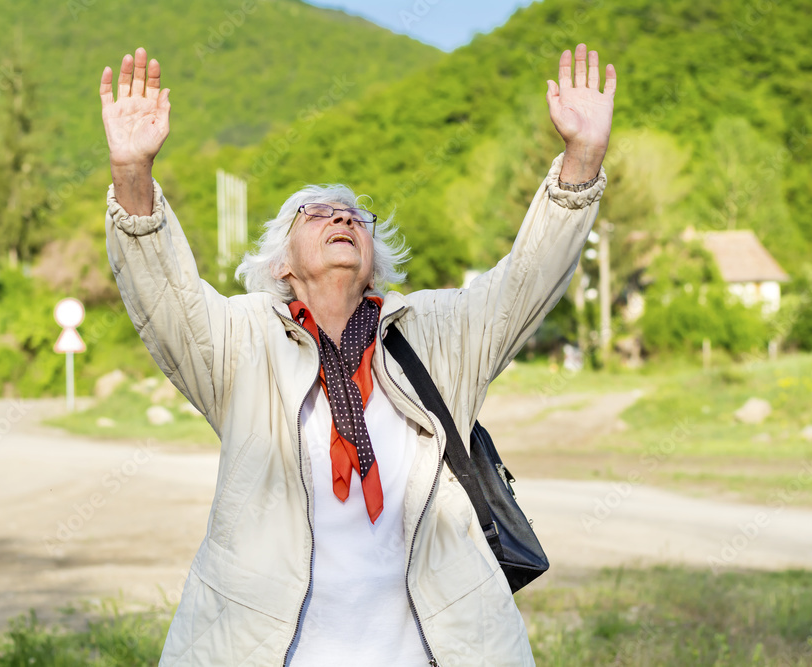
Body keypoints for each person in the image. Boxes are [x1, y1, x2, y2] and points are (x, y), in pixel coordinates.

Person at [100, 43, 616, 666]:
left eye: (354, 214)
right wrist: (132, 174)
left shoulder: (434, 333)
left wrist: (580, 161)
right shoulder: (241, 343)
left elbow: (526, 284)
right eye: (315, 213)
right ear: (283, 265)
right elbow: (165, 299)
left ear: (373, 256)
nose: (341, 217)